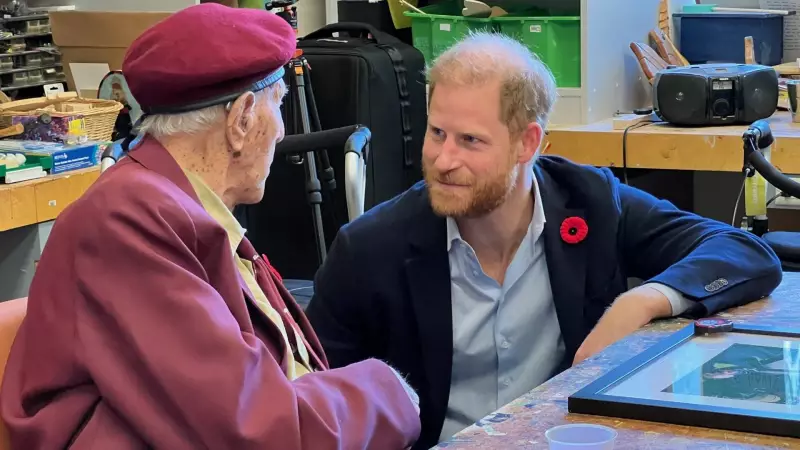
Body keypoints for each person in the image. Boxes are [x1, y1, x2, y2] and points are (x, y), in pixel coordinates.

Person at [305, 32, 783, 449]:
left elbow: (746, 252)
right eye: (437, 133)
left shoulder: (592, 202)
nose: (443, 160)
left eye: (470, 141)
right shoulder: (369, 250)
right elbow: (313, 408)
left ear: (528, 143)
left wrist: (640, 302)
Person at [0, 5, 420, 449]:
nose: (280, 132)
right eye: (279, 107)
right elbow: (249, 427)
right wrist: (390, 393)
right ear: (241, 120)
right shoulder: (125, 223)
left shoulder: (171, 206)